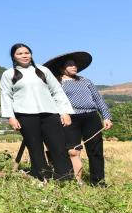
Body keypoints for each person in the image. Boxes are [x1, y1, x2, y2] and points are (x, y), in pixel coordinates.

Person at [0, 43, 74, 181]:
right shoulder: (9, 74)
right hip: (25, 115)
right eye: (20, 53)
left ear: (31, 54)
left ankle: (67, 178)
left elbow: (57, 91)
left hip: (49, 113)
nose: (24, 55)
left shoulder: (43, 70)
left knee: (58, 146)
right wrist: (10, 117)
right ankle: (42, 178)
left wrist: (64, 112)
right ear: (14, 57)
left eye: (27, 53)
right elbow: (6, 96)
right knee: (35, 148)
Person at [44, 51, 112, 186]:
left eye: (74, 64)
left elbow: (98, 99)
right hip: (70, 118)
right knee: (73, 151)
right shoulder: (57, 82)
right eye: (70, 65)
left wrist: (106, 117)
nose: (74, 67)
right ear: (61, 68)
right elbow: (54, 101)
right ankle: (77, 181)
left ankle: (98, 182)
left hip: (91, 117)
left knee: (96, 150)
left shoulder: (86, 81)